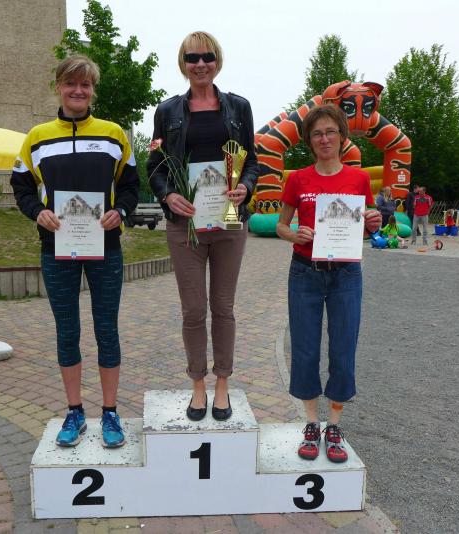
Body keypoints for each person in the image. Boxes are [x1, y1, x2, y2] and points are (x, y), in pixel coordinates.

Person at [10, 55, 139, 448]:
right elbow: (21, 186)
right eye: (71, 83)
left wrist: (122, 211)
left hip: (105, 247)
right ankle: (75, 411)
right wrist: (38, 212)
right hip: (56, 248)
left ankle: (110, 412)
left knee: (106, 330)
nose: (78, 90)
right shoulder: (36, 137)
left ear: (93, 90)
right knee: (67, 332)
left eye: (85, 84)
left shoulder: (114, 134)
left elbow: (131, 185)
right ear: (59, 87)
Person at [147, 31, 259, 422]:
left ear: (217, 61)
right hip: (186, 224)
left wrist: (246, 186)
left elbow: (252, 161)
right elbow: (155, 167)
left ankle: (222, 383)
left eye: (207, 57)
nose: (200, 64)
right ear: (183, 63)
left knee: (223, 307)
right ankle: (198, 384)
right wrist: (167, 195)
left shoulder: (238, 108)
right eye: (192, 58)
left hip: (229, 221)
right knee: (194, 309)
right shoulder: (167, 112)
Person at [276, 104, 381, 462]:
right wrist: (294, 234)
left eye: (330, 132)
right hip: (305, 272)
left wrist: (373, 223)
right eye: (317, 133)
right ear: (309, 140)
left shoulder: (359, 179)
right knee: (304, 348)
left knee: (343, 347)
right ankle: (311, 423)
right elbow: (281, 225)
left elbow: (365, 228)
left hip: (346, 274)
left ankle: (334, 424)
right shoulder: (298, 179)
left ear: (342, 137)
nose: (324, 139)